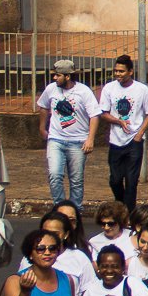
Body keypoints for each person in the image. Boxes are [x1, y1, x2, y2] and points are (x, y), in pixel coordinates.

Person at [38, 58, 101, 205]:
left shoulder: (83, 91)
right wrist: (42, 127)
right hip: (56, 139)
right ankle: (60, 208)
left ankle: (75, 210)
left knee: (76, 180)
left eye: (58, 75)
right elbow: (43, 106)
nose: (55, 78)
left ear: (67, 76)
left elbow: (94, 115)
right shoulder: (51, 89)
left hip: (78, 141)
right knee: (54, 175)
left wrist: (90, 139)